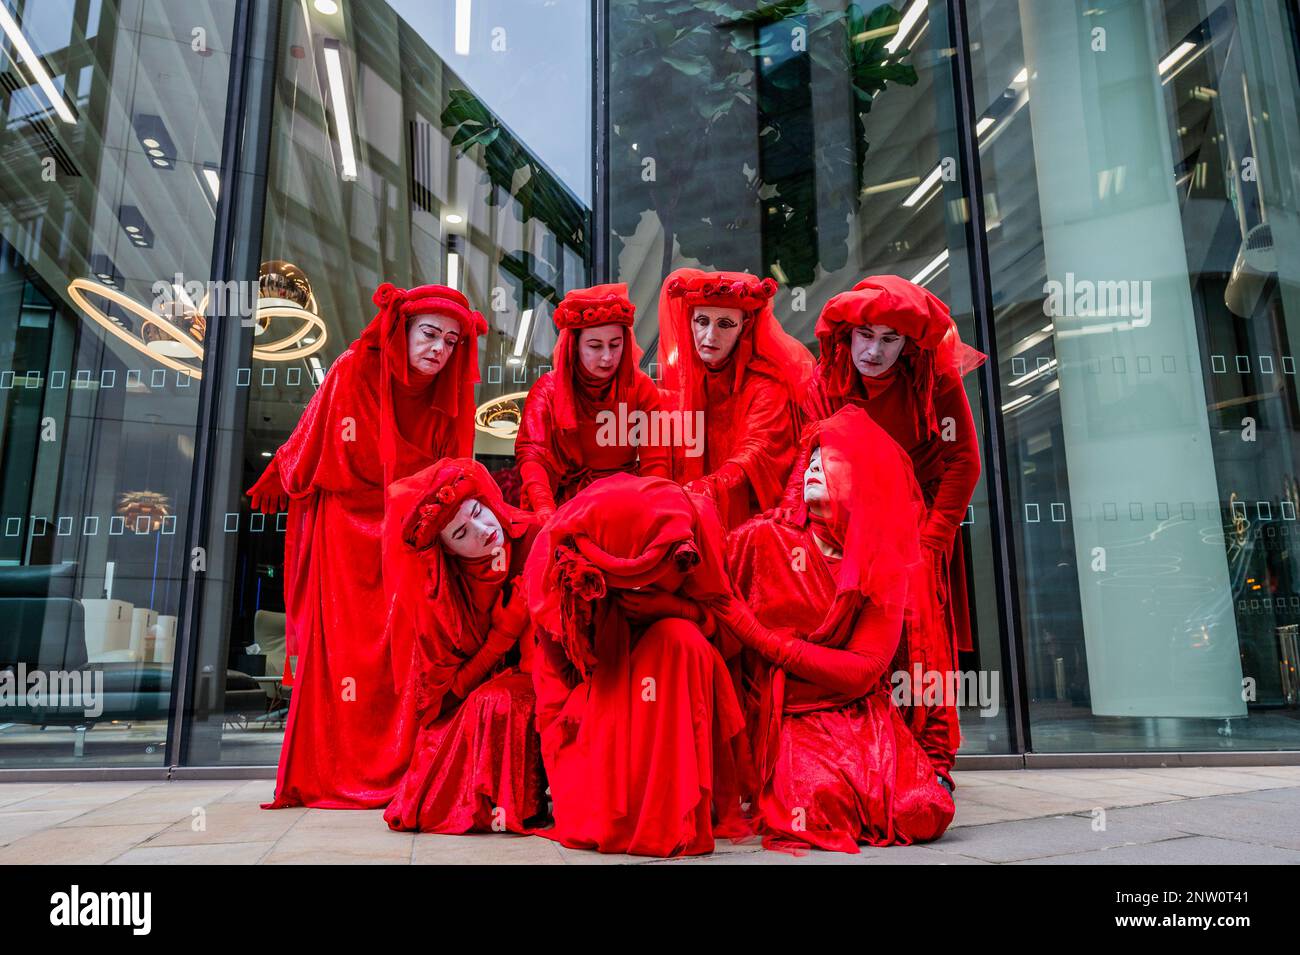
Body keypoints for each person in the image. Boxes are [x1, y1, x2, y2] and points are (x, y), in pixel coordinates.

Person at [249, 282, 486, 809]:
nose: (439, 351)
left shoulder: (451, 394)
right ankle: (337, 769)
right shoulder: (353, 369)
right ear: (401, 330)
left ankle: (406, 769)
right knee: (347, 655)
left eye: (451, 342)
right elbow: (308, 443)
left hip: (411, 539)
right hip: (346, 540)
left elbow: (454, 476)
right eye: (429, 334)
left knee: (406, 657)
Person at [723, 406, 954, 851]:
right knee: (815, 808)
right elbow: (711, 587)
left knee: (921, 813)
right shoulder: (763, 538)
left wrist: (760, 637)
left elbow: (864, 669)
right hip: (792, 712)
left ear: (862, 478)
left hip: (860, 710)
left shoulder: (883, 561)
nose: (811, 467)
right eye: (809, 459)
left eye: (829, 460)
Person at [800, 275, 986, 790]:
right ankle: (867, 755)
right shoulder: (821, 382)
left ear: (907, 344)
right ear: (848, 336)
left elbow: (963, 463)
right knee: (854, 640)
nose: (874, 351)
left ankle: (933, 761)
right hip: (846, 528)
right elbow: (812, 459)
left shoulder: (936, 381)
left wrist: (930, 541)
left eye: (890, 339)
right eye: (866, 336)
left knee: (921, 641)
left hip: (914, 528)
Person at [525, 473, 752, 856]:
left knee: (683, 642)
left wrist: (675, 608)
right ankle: (626, 815)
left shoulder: (697, 528)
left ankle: (671, 811)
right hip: (593, 687)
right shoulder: (557, 566)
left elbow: (723, 632)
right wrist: (589, 708)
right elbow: (559, 676)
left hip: (664, 677)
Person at [382, 458, 545, 834]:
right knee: (491, 706)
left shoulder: (535, 534)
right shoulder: (444, 600)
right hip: (488, 689)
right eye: (460, 534)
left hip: (551, 672)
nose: (482, 530)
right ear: (450, 554)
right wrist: (502, 635)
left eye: (477, 511)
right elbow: (444, 697)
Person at [657, 269, 813, 528]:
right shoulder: (682, 378)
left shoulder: (766, 385)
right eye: (702, 321)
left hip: (748, 524)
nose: (709, 336)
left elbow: (755, 451)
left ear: (745, 326)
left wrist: (708, 487)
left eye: (725, 324)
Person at [515, 284, 669, 520]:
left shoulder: (641, 388)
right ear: (574, 346)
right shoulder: (547, 390)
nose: (607, 357)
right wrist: (545, 508)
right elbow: (532, 455)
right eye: (595, 346)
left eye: (615, 345)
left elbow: (656, 461)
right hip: (565, 507)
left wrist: (654, 507)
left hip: (626, 502)